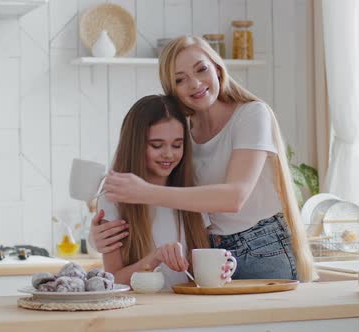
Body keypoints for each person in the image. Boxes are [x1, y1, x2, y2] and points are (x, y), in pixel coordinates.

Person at [100, 36, 314, 282]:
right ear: (173, 89)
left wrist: (143, 192)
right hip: (209, 252)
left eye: (201, 69)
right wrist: (102, 236)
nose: (195, 84)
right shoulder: (182, 131)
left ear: (218, 68)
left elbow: (234, 197)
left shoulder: (251, 115)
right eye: (180, 79)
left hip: (260, 248)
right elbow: (127, 167)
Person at [90, 95, 211, 287]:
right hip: (140, 311)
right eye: (157, 145)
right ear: (135, 145)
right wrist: (154, 258)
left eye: (177, 145)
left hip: (188, 308)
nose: (169, 154)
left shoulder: (192, 193)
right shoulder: (113, 197)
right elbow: (113, 280)